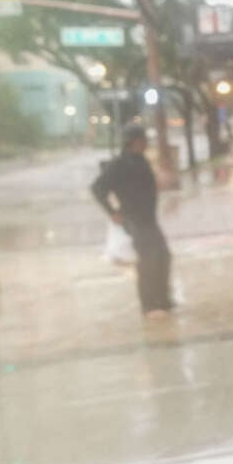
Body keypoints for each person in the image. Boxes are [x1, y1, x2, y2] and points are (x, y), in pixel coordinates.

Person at [91, 124, 174, 318]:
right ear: (133, 142)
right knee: (148, 261)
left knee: (163, 257)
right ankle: (150, 305)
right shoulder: (119, 164)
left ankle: (163, 299)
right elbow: (97, 188)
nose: (146, 144)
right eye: (143, 140)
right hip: (134, 219)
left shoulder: (140, 160)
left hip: (148, 218)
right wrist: (112, 211)